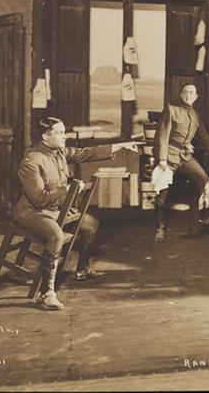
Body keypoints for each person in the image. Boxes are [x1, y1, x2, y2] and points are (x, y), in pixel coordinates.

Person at [16, 117, 140, 311]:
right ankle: (46, 294)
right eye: (59, 133)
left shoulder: (59, 152)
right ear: (45, 136)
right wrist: (68, 190)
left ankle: (82, 270)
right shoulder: (31, 161)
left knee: (91, 225)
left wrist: (120, 145)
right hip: (32, 212)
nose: (64, 136)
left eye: (64, 132)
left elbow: (86, 153)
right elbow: (39, 199)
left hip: (55, 208)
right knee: (56, 236)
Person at [153, 83, 209, 242]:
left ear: (196, 97)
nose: (188, 95)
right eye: (185, 92)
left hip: (185, 156)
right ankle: (160, 228)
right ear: (181, 95)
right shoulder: (171, 110)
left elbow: (203, 137)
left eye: (191, 92)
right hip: (168, 156)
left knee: (203, 179)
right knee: (162, 193)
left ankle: (200, 221)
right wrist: (162, 158)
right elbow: (162, 134)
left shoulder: (196, 115)